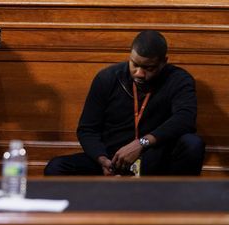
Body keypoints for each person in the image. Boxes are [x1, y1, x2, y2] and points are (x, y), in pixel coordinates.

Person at [45, 30, 204, 176]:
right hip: (112, 159)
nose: (139, 73)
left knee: (192, 144)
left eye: (149, 68)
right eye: (135, 64)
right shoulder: (108, 78)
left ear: (163, 62)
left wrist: (142, 143)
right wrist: (102, 160)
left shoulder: (179, 80)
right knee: (56, 168)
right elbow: (87, 129)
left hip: (153, 161)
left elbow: (185, 119)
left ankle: (172, 198)